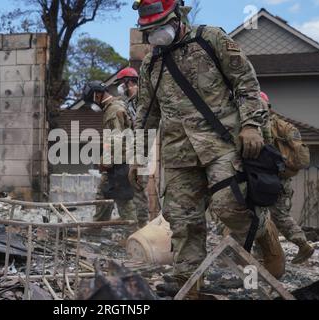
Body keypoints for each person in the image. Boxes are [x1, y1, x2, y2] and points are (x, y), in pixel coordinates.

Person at [129, 0, 269, 297]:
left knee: (228, 205)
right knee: (182, 221)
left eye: (160, 25)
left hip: (221, 143)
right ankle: (188, 286)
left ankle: (266, 233)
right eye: (149, 29)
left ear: (178, 16)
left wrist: (251, 125)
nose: (155, 34)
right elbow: (146, 114)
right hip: (178, 152)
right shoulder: (150, 64)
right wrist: (136, 157)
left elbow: (245, 82)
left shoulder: (211, 39)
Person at [260, 92, 315, 264]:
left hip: (267, 178)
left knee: (266, 215)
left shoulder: (262, 125)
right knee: (278, 215)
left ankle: (301, 245)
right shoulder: (285, 126)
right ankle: (302, 244)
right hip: (282, 178)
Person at [82, 81, 138, 224]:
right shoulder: (116, 106)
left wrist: (105, 163)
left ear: (98, 95)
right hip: (122, 159)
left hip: (120, 161)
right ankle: (98, 226)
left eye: (91, 101)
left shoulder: (113, 111)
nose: (92, 105)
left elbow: (116, 141)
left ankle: (133, 234)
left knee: (123, 199)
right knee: (104, 194)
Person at [115, 68, 151, 228]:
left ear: (128, 82)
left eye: (121, 83)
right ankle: (137, 223)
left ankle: (143, 224)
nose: (119, 87)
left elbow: (142, 124)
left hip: (142, 149)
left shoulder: (140, 98)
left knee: (139, 187)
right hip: (133, 149)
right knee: (132, 187)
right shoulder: (129, 101)